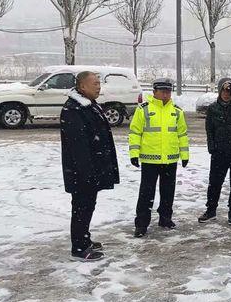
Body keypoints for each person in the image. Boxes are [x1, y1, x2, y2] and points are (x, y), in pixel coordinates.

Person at [60, 71, 119, 262]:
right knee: (81, 207)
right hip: (81, 172)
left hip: (91, 169)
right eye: (94, 83)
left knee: (87, 206)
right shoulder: (74, 110)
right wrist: (87, 173)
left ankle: (84, 239)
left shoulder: (87, 105)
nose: (98, 86)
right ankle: (79, 247)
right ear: (82, 86)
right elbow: (79, 147)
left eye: (99, 82)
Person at [129, 78, 189, 238]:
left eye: (168, 92)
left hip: (170, 159)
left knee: (168, 191)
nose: (165, 94)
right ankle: (141, 224)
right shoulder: (143, 109)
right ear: (154, 92)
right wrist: (134, 154)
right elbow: (135, 132)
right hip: (150, 160)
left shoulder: (177, 111)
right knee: (146, 193)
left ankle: (165, 218)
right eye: (162, 91)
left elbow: (182, 135)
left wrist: (185, 155)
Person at [198, 78, 231, 226]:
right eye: (224, 90)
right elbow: (209, 130)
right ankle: (211, 210)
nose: (227, 93)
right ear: (219, 91)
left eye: (229, 91)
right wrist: (212, 147)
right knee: (215, 183)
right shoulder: (213, 108)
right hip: (220, 152)